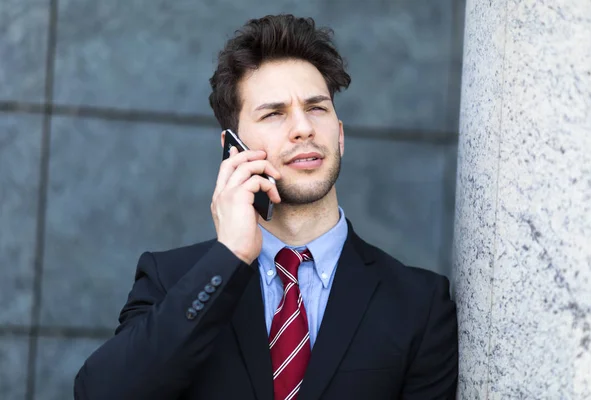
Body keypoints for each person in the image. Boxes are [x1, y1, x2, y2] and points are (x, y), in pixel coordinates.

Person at [73, 14, 458, 400]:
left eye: (317, 108)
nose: (303, 128)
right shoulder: (171, 280)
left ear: (339, 136)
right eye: (275, 113)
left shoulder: (419, 305)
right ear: (232, 148)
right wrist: (229, 258)